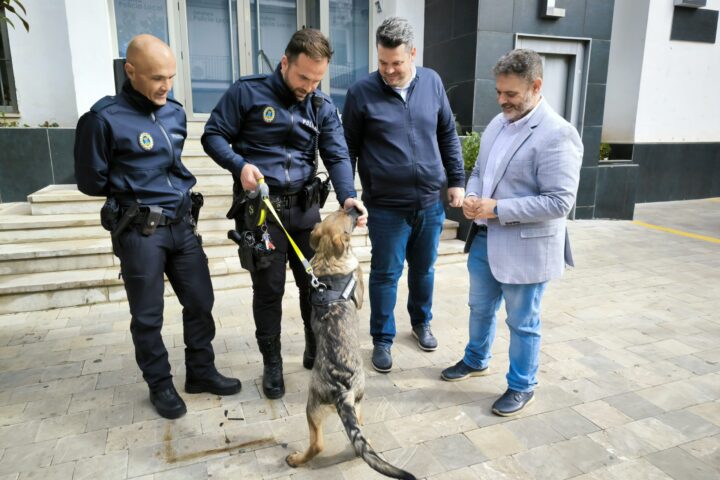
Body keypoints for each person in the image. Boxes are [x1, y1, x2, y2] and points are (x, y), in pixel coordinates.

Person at [74, 34, 241, 420]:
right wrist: (130, 193)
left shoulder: (175, 112)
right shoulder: (102, 119)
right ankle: (160, 384)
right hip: (140, 232)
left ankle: (200, 371)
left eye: (170, 76)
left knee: (201, 301)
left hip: (181, 224)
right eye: (155, 78)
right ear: (130, 71)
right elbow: (91, 181)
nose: (165, 85)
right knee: (148, 315)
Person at [201, 29, 367, 400]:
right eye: (302, 77)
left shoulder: (321, 106)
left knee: (314, 285)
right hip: (261, 215)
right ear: (284, 63)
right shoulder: (247, 92)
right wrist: (239, 165)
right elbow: (212, 135)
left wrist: (349, 197)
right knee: (269, 288)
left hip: (306, 212)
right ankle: (272, 363)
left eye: (317, 79)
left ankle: (313, 346)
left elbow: (337, 154)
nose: (308, 86)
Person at [440, 49, 582, 416]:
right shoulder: (497, 123)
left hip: (526, 248)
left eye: (511, 94)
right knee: (479, 308)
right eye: (499, 92)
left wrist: (498, 208)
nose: (502, 100)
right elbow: (478, 173)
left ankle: (522, 385)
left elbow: (559, 203)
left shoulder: (559, 134)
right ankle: (476, 360)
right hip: (485, 241)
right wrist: (472, 196)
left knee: (523, 322)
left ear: (536, 86)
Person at [342, 17, 465, 373]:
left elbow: (447, 135)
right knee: (385, 273)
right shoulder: (361, 93)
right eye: (382, 63)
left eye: (397, 63)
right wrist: (349, 195)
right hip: (385, 207)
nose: (389, 70)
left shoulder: (433, 83)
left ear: (413, 53)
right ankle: (382, 338)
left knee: (424, 270)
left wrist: (456, 180)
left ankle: (421, 323)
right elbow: (345, 149)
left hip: (429, 201)